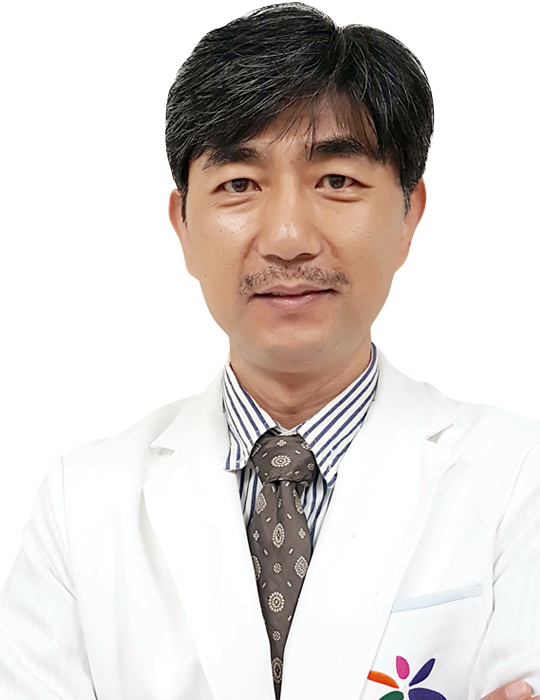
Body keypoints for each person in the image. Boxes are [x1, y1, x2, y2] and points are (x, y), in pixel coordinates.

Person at [0, 2, 539, 699]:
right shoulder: (82, 505)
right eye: (239, 185)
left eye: (337, 181)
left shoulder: (517, 483)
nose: (288, 238)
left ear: (409, 211)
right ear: (183, 223)